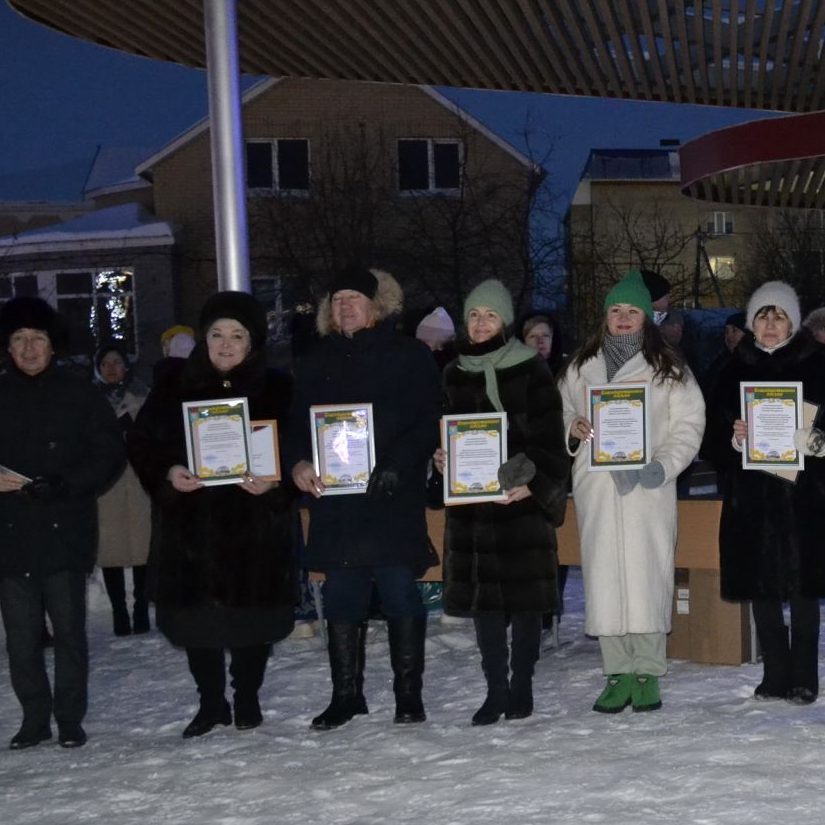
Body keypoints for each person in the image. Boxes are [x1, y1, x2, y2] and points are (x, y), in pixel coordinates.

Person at [0, 297, 126, 749]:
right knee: (21, 640)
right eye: (20, 340)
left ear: (52, 345)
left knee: (69, 635)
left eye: (38, 339)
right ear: (7, 347)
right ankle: (33, 718)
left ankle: (69, 718)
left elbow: (107, 454)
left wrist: (67, 483)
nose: (29, 348)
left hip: (64, 531)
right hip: (9, 536)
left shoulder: (80, 393)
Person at [130, 292, 296, 737]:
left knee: (251, 618)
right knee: (196, 620)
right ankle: (210, 702)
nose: (225, 345)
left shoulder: (278, 388)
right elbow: (142, 443)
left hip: (254, 523)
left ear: (252, 343)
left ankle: (246, 698)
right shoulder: (173, 387)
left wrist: (277, 482)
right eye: (217, 335)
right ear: (204, 340)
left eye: (236, 336)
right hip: (192, 524)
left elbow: (297, 448)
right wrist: (168, 472)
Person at [286, 266, 443, 730]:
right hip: (337, 500)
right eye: (337, 300)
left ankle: (408, 695)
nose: (345, 306)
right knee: (341, 596)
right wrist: (297, 463)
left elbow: (427, 417)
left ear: (377, 305)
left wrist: (400, 464)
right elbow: (296, 424)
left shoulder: (409, 354)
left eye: (355, 297)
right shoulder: (314, 360)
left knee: (398, 592)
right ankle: (346, 695)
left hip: (391, 495)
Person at [561, 270, 706, 712]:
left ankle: (647, 670)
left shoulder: (669, 369)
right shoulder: (580, 366)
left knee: (646, 573)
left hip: (647, 486)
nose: (623, 318)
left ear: (646, 318)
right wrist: (572, 427)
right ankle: (616, 671)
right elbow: (562, 410)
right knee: (604, 575)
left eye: (632, 311)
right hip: (598, 485)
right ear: (605, 317)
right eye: (616, 311)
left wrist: (662, 468)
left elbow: (688, 425)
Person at [704, 281, 825, 704]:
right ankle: (775, 672)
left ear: (792, 323)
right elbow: (711, 437)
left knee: (804, 592)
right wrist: (734, 439)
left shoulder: (819, 366)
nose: (770, 325)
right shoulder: (731, 369)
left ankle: (805, 675)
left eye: (779, 316)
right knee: (762, 589)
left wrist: (817, 442)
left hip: (805, 498)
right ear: (751, 324)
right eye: (763, 317)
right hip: (751, 498)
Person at [433, 279, 570, 724]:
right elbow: (446, 430)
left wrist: (533, 481)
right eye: (473, 314)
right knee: (485, 602)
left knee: (525, 600)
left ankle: (522, 685)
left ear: (505, 321)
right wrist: (442, 459)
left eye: (489, 314)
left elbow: (550, 438)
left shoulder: (531, 367)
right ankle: (495, 688)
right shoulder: (453, 372)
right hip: (474, 506)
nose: (480, 322)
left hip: (519, 498)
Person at [92, 344, 152, 636]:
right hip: (107, 483)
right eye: (105, 363)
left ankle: (141, 607)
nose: (112, 368)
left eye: (117, 362)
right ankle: (119, 611)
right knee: (111, 549)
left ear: (126, 366)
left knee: (142, 546)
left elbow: (155, 433)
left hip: (137, 479)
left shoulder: (144, 395)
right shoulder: (89, 401)